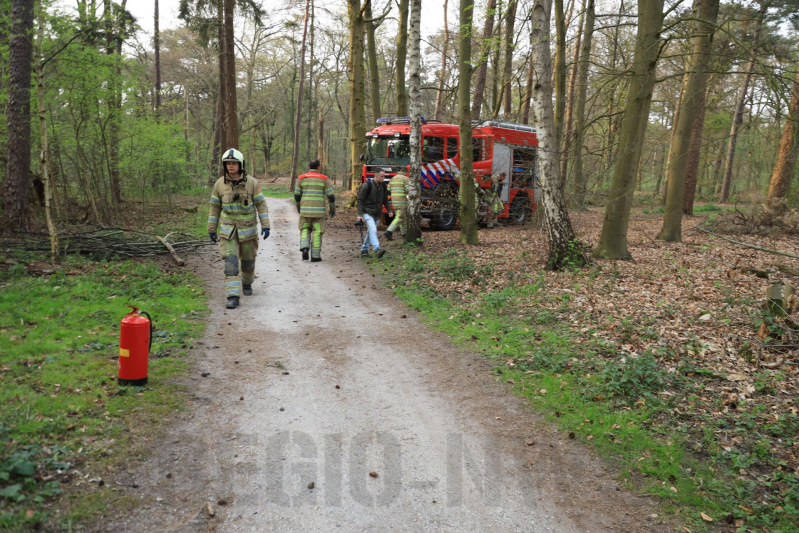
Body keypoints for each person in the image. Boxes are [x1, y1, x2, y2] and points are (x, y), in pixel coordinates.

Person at [208, 148, 271, 309]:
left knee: (248, 263)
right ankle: (233, 296)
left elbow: (261, 205)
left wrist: (266, 225)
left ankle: (247, 283)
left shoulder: (252, 183)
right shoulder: (219, 185)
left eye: (234, 163)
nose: (231, 166)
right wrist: (211, 228)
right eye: (228, 163)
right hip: (228, 232)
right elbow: (214, 208)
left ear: (240, 165)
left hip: (248, 232)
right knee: (231, 263)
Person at [294, 160, 335, 262]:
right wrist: (332, 209)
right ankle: (315, 256)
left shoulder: (301, 179)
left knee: (305, 229)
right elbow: (331, 196)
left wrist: (299, 208)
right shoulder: (324, 179)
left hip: (305, 212)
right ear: (318, 167)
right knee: (317, 232)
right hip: (319, 213)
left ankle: (305, 248)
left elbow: (297, 196)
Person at [357, 169, 390, 258]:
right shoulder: (367, 186)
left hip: (377, 213)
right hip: (367, 212)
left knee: (370, 232)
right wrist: (359, 214)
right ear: (376, 176)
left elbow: (385, 199)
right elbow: (360, 200)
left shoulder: (383, 186)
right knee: (373, 230)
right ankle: (377, 249)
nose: (384, 178)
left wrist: (389, 210)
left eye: (384, 176)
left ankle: (364, 250)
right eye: (382, 176)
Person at [384, 171, 409, 241]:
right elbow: (408, 190)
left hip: (394, 201)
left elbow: (388, 189)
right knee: (400, 217)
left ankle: (404, 234)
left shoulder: (393, 178)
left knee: (403, 218)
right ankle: (389, 231)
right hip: (402, 201)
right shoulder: (405, 178)